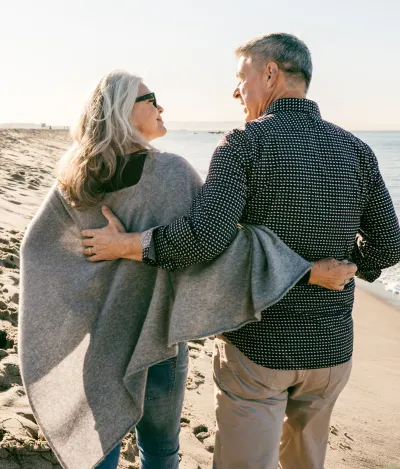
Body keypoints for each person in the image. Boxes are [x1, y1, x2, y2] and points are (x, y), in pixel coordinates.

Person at [82, 34, 400, 469]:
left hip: (258, 349)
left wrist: (128, 245)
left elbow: (204, 238)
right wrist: (350, 266)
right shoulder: (357, 151)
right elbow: (390, 245)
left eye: (241, 77)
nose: (236, 90)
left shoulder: (245, 143)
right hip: (331, 350)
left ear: (270, 74)